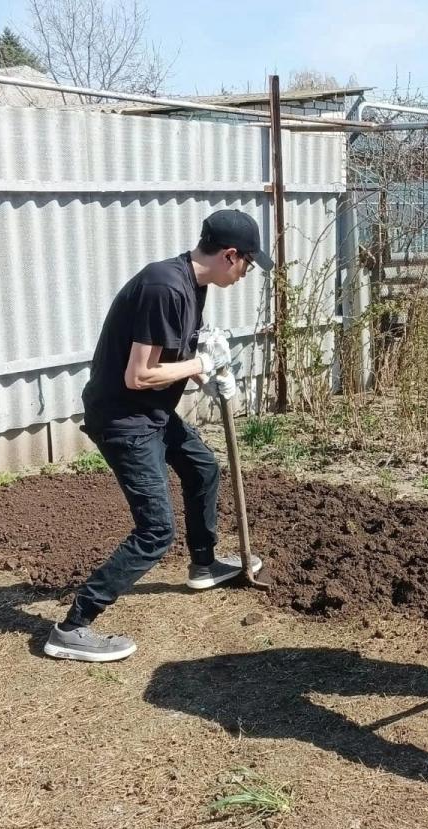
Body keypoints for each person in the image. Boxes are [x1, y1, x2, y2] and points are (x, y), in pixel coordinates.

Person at [44, 210, 273, 663]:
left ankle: (204, 564)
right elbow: (140, 374)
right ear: (230, 255)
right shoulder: (164, 287)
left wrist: (204, 369)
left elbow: (171, 359)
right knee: (155, 531)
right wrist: (202, 366)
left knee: (202, 468)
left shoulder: (193, 286)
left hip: (150, 411)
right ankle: (71, 627)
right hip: (124, 418)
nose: (247, 272)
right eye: (248, 263)